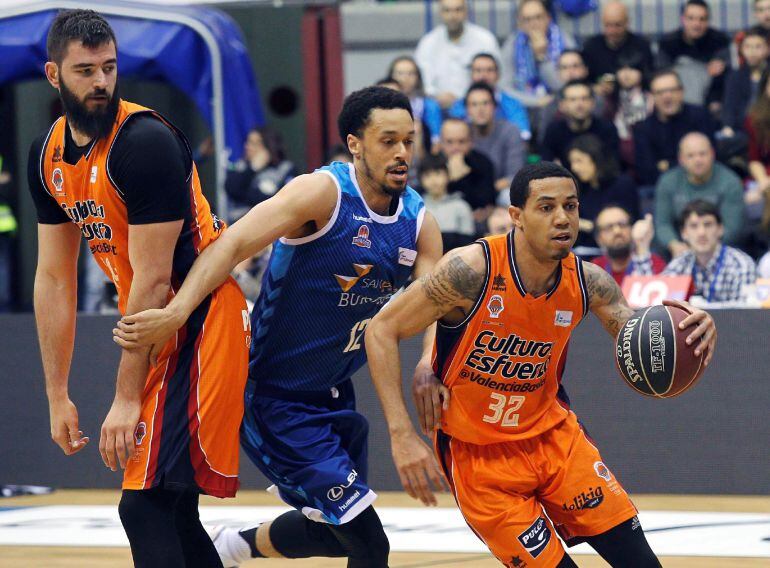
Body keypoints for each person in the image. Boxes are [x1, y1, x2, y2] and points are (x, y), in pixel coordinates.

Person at [113, 86, 444, 567]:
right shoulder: (321, 194)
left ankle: (237, 546)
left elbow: (434, 303)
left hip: (333, 395)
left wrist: (427, 364)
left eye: (409, 141)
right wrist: (178, 309)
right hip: (273, 397)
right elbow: (231, 245)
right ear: (355, 144)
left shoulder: (418, 221)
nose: (402, 154)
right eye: (388, 140)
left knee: (337, 535)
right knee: (371, 544)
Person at [364, 162, 716, 567]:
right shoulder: (471, 271)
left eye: (570, 206)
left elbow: (636, 335)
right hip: (479, 458)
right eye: (546, 207)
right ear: (516, 217)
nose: (562, 218)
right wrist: (401, 433)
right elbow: (381, 330)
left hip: (555, 441)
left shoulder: (589, 282)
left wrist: (692, 329)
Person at [27, 10, 250, 568]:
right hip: (157, 326)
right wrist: (57, 395)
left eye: (108, 68)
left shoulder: (144, 142)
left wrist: (127, 399)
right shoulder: (47, 154)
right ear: (53, 76)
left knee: (144, 508)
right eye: (85, 71)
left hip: (199, 318)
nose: (101, 82)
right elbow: (54, 278)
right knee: (170, 512)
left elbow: (151, 282)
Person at [654, 133, 745, 258]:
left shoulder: (730, 182)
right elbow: (662, 224)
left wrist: (701, 248)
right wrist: (674, 245)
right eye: (690, 156)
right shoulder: (667, 182)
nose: (698, 160)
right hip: (679, 250)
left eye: (702, 154)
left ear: (712, 154)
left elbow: (732, 228)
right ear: (681, 159)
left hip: (720, 250)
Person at [633, 69, 718, 186]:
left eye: (672, 90)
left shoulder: (700, 116)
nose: (667, 96)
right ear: (652, 96)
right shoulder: (643, 129)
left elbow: (711, 158)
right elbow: (647, 173)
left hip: (702, 183)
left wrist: (667, 165)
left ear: (682, 92)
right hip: (662, 189)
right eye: (660, 92)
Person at [663, 199, 757, 302]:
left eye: (707, 225)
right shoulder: (678, 265)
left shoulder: (741, 265)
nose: (701, 232)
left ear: (720, 229)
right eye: (694, 226)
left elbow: (746, 315)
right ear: (684, 233)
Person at [414, 0, 501, 109]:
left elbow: (496, 78)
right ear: (440, 13)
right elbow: (422, 83)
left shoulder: (485, 40)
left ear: (466, 12)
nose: (453, 16)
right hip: (438, 106)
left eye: (458, 10)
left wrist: (465, 99)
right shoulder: (427, 43)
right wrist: (437, 96)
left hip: (478, 105)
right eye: (447, 10)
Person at [566, 134, 639, 253]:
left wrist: (583, 224)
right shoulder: (580, 190)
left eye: (579, 161)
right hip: (587, 252)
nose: (574, 168)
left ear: (595, 158)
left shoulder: (623, 185)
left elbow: (629, 222)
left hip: (620, 249)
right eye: (572, 162)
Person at [657, 0, 730, 111]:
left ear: (708, 21)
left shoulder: (719, 41)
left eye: (702, 19)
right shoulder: (668, 42)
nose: (696, 24)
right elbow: (662, 73)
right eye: (691, 18)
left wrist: (721, 66)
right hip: (676, 97)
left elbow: (724, 74)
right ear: (683, 20)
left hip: (711, 99)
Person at [501, 0, 576, 107]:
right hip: (523, 106)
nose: (534, 24)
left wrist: (542, 57)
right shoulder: (511, 44)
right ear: (520, 24)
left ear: (548, 18)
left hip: (559, 105)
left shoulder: (565, 42)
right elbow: (505, 88)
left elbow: (564, 86)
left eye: (538, 17)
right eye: (527, 20)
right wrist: (535, 102)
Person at [449, 53, 532, 140]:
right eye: (478, 70)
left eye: (489, 70)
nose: (484, 75)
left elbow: (523, 136)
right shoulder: (459, 106)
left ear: (498, 75)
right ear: (471, 75)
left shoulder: (513, 104)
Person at [465, 82, 525, 197]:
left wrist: (485, 192)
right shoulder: (462, 132)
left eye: (485, 103)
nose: (480, 109)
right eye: (474, 104)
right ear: (467, 109)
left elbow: (515, 176)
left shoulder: (510, 131)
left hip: (499, 192)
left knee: (508, 195)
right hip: (469, 194)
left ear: (495, 107)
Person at [581, 0, 654, 95]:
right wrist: (595, 88)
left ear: (627, 22)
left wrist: (640, 78)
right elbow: (582, 79)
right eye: (608, 25)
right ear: (602, 23)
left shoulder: (642, 45)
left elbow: (653, 76)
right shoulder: (591, 46)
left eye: (617, 25)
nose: (612, 31)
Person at [541, 80, 620, 166]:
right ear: (562, 105)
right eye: (573, 100)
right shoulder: (554, 130)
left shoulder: (607, 129)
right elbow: (546, 165)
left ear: (592, 103)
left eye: (584, 98)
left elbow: (613, 166)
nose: (579, 104)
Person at [224, 127, 295, 222]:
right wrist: (253, 168)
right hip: (239, 223)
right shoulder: (243, 166)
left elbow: (279, 202)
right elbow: (231, 189)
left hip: (271, 225)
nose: (247, 146)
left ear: (268, 146)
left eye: (254, 143)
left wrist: (248, 194)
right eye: (248, 142)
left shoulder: (285, 169)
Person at [592, 206, 666, 285]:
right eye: (609, 227)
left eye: (622, 224)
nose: (617, 231)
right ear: (598, 238)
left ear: (632, 229)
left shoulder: (653, 262)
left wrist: (641, 247)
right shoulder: (593, 269)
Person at [439, 118, 497, 215]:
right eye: (449, 142)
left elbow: (486, 201)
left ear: (471, 142)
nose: (455, 148)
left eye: (461, 142)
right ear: (441, 143)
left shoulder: (482, 163)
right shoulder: (432, 163)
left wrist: (462, 178)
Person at [420, 153, 476, 252]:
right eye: (427, 175)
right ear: (421, 180)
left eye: (438, 173)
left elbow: (468, 244)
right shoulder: (417, 207)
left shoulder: (461, 206)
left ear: (448, 175)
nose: (433, 180)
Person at [388, 55, 444, 149]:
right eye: (400, 73)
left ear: (418, 77)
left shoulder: (429, 105)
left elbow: (436, 140)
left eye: (411, 73)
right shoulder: (383, 103)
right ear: (391, 77)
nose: (405, 78)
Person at [722, 29, 769, 135]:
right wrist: (728, 126)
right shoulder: (735, 76)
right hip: (742, 127)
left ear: (767, 49)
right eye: (747, 47)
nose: (752, 52)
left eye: (758, 46)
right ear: (741, 50)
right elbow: (729, 104)